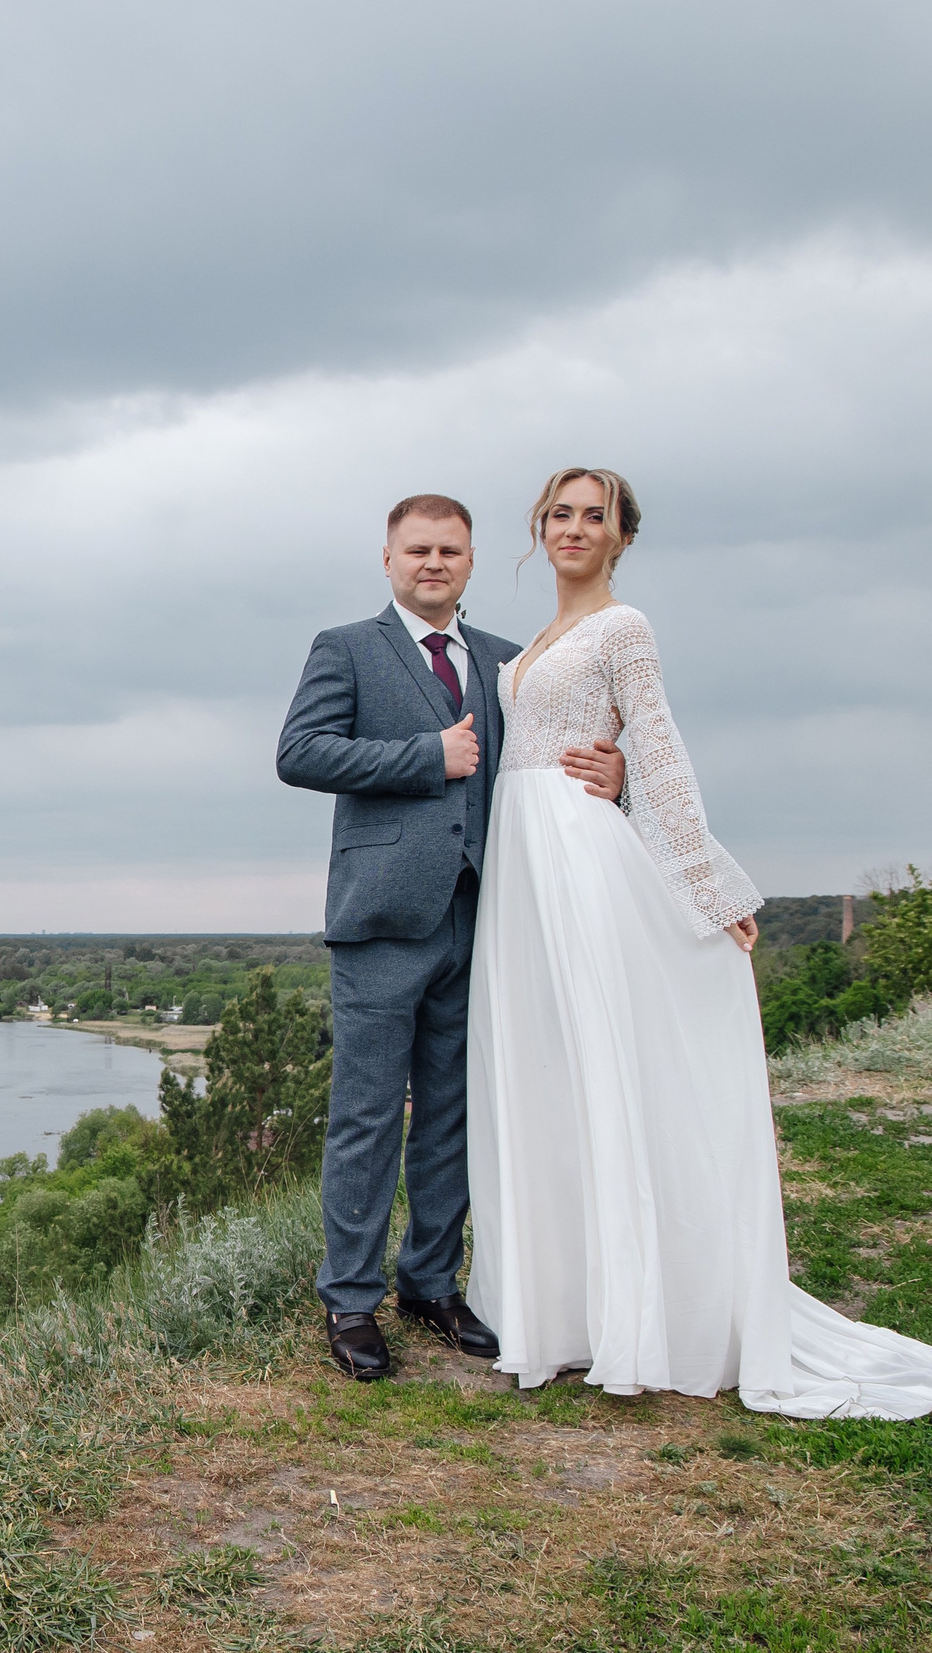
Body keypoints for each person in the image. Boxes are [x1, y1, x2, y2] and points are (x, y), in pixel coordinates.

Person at [465, 467, 932, 1417]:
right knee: (548, 1070)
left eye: (597, 516)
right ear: (538, 528)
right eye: (561, 514)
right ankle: (566, 1307)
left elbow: (661, 748)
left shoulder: (624, 628)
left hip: (581, 855)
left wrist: (709, 886)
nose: (576, 529)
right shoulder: (526, 647)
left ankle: (644, 1308)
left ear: (624, 536)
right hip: (523, 863)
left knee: (607, 1059)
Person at [277, 494, 626, 1380]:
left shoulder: (510, 663)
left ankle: (429, 1283)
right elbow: (301, 752)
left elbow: (546, 772)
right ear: (388, 559)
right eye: (418, 549)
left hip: (487, 918)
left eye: (451, 550)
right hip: (383, 922)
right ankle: (350, 1302)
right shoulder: (345, 648)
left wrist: (615, 776)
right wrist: (425, 757)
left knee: (450, 1116)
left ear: (472, 562)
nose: (434, 563)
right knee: (363, 1119)